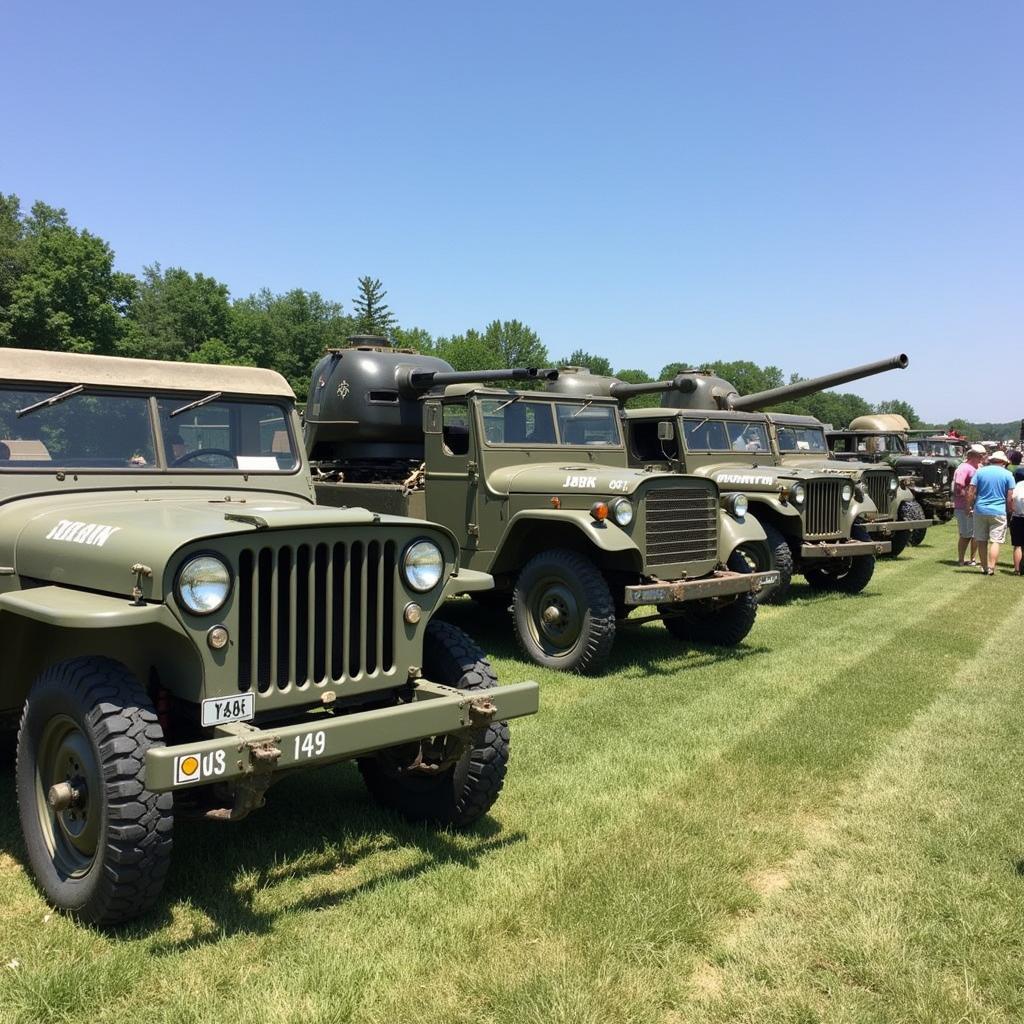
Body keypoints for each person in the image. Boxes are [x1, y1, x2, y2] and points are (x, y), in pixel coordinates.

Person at [967, 450, 1015, 575]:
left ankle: (983, 566)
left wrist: (968, 506)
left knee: (981, 539)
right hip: (998, 510)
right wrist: (1010, 509)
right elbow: (1010, 496)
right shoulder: (1008, 474)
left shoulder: (980, 472)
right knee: (995, 540)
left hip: (980, 509)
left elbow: (971, 490)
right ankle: (991, 567)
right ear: (1003, 462)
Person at [953, 443, 985, 566]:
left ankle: (972, 559)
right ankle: (961, 559)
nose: (982, 458)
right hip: (964, 506)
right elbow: (958, 487)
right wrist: (968, 500)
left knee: (974, 534)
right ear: (973, 456)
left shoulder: (976, 468)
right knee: (966, 534)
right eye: (980, 456)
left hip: (973, 505)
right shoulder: (964, 468)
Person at [1012, 474, 1024, 575]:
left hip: (1018, 516)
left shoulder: (1019, 485)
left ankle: (1017, 570)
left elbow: (1012, 498)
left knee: (1018, 545)